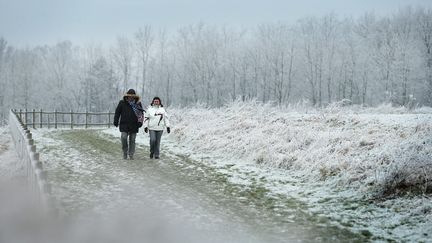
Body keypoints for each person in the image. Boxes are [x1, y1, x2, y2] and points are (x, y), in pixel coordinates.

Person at [113, 89, 144, 160]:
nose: (131, 98)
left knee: (132, 140)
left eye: (132, 96)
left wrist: (140, 122)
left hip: (134, 124)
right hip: (124, 124)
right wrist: (116, 121)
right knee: (123, 137)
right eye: (130, 96)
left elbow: (141, 114)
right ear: (127, 96)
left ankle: (131, 154)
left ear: (135, 97)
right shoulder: (122, 103)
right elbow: (117, 112)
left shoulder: (138, 104)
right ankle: (125, 152)